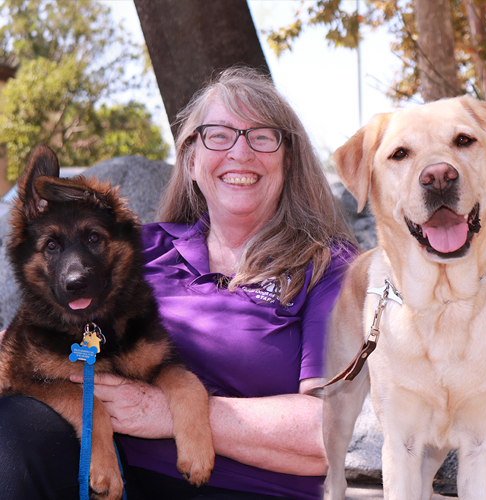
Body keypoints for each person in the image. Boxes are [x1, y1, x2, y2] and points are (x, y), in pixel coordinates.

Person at [0, 66, 356, 500]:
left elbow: (329, 432)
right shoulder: (142, 248)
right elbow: (52, 335)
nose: (240, 154)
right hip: (116, 474)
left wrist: (162, 411)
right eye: (219, 135)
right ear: (190, 160)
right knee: (12, 431)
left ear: (288, 158)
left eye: (262, 136)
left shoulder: (327, 267)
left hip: (248, 488)